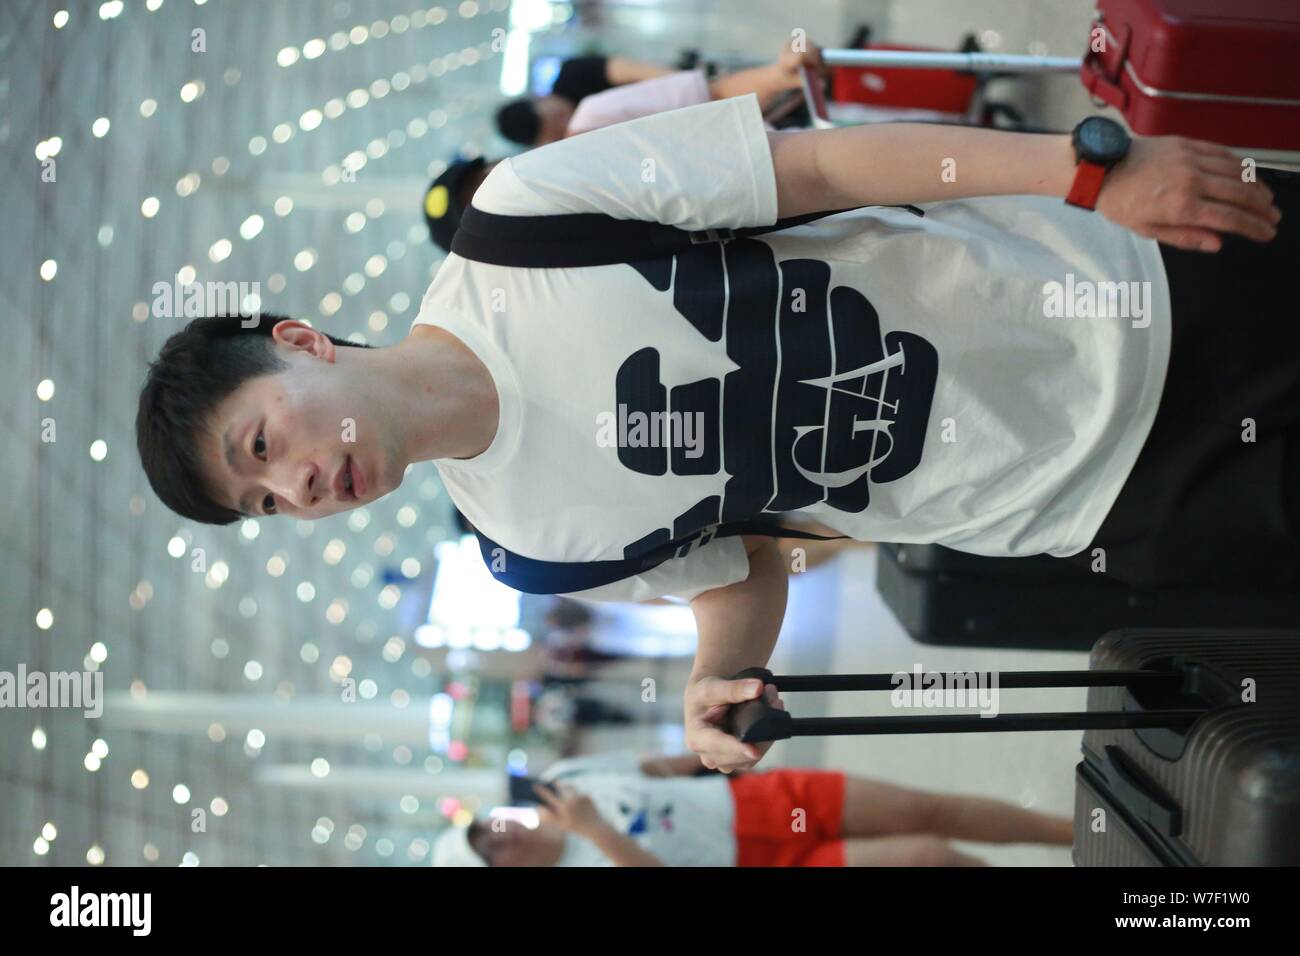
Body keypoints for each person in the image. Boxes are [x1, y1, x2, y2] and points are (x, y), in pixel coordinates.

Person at [135, 92, 1293, 776]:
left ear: (300, 341)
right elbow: (740, 560)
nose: (297, 484)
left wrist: (1084, 175)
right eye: (267, 505)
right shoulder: (527, 551)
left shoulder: (519, 225)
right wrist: (715, 675)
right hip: (1095, 502)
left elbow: (820, 161)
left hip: (1126, 276)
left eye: (260, 447)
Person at [425, 42, 826, 254]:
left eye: (487, 175)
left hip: (808, 176)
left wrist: (779, 75)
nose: (497, 184)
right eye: (483, 203)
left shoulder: (593, 123)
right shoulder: (576, 268)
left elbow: (711, 96)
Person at [431, 745, 1073, 867]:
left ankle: (1074, 832)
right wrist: (596, 833)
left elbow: (657, 768)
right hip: (757, 865)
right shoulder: (580, 838)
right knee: (925, 858)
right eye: (488, 856)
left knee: (930, 811)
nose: (499, 840)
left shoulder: (563, 780)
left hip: (758, 802)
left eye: (486, 831)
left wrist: (724, 741)